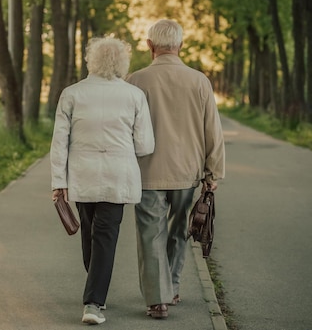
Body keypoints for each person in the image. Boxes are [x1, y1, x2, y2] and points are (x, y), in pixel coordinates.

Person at [50, 37, 155, 325]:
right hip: (117, 176)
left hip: (82, 176)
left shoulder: (72, 94)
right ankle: (97, 291)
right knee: (101, 239)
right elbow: (145, 145)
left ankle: (93, 302)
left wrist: (58, 181)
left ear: (91, 61)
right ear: (122, 63)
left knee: (94, 237)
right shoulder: (134, 96)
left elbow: (59, 142)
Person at [125, 19, 225, 319]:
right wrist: (212, 174)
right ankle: (174, 286)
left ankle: (158, 299)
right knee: (179, 231)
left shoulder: (135, 81)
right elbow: (213, 132)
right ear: (180, 46)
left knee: (150, 234)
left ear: (150, 46)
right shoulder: (199, 81)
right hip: (187, 172)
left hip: (146, 172)